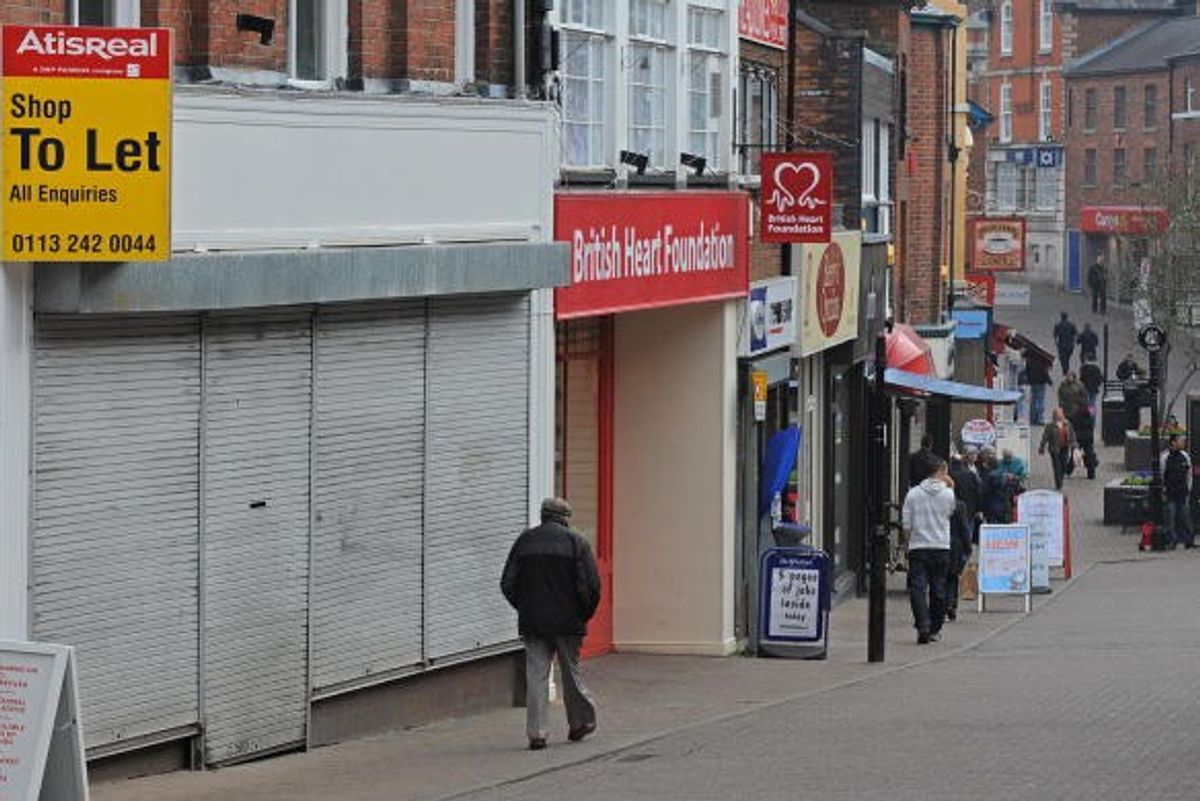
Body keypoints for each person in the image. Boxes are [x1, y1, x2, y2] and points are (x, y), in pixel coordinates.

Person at [501, 497, 601, 750]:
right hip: (568, 622)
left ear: (543, 515)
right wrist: (582, 615)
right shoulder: (576, 542)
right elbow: (591, 587)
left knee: (536, 676)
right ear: (565, 518)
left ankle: (537, 734)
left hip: (533, 621)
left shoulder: (525, 541)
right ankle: (581, 722)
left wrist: (525, 608)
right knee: (571, 672)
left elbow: (508, 583)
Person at [902, 458, 956, 644]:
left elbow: (906, 524)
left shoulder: (913, 494)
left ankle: (923, 625)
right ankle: (935, 628)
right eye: (945, 471)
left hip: (918, 546)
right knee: (938, 588)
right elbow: (951, 512)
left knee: (917, 588)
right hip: (941, 546)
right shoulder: (948, 494)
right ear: (940, 471)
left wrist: (907, 544)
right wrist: (951, 487)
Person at [1163, 434, 1194, 549]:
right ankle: (1172, 540)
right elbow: (1162, 474)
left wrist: (1188, 488)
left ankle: (1188, 540)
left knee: (1186, 517)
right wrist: (1164, 490)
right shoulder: (1165, 457)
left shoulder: (1185, 456)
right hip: (1170, 493)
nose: (1184, 443)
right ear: (1173, 442)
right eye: (1181, 441)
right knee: (1170, 518)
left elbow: (1189, 474)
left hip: (1182, 493)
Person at [945, 500, 974, 623]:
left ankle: (943, 604)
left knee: (939, 578)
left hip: (938, 545)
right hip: (954, 547)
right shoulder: (959, 505)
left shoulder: (932, 502)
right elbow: (964, 528)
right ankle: (951, 603)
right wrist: (968, 548)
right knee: (952, 577)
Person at [1039, 407, 1077, 491]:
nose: (1059, 416)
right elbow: (1045, 437)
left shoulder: (1067, 424)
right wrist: (1042, 447)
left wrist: (1074, 444)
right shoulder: (1050, 426)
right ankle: (1058, 483)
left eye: (1060, 414)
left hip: (1065, 447)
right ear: (1054, 416)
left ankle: (1061, 478)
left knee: (1063, 464)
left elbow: (1072, 434)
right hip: (1054, 448)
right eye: (1057, 414)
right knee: (1057, 466)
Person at [1069, 404, 1099, 480]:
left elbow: (1071, 421)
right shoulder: (1091, 409)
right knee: (1089, 452)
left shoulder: (1075, 413)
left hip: (1078, 436)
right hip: (1088, 436)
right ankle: (1091, 471)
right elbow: (1094, 416)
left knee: (1075, 453)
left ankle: (1069, 469)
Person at [1025, 351, 1053, 425]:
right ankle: (1040, 418)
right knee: (1040, 400)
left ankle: (1033, 418)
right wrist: (1049, 381)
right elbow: (1045, 372)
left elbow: (1027, 371)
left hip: (1033, 382)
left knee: (1034, 400)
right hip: (1041, 382)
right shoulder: (1043, 359)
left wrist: (1029, 379)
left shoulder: (1030, 359)